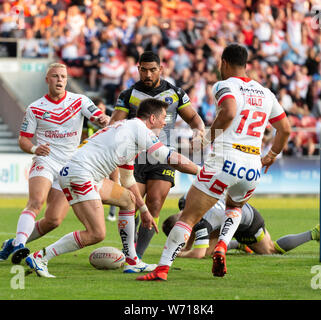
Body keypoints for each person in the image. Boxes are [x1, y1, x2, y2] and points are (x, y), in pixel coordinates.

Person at [137, 43, 291, 281]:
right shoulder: (266, 93)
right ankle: (222, 245)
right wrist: (271, 155)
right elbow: (285, 129)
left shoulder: (225, 85)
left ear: (224, 63)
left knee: (188, 217)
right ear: (246, 64)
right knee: (234, 207)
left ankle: (161, 270)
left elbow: (228, 112)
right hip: (252, 167)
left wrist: (207, 139)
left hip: (225, 159)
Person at [25, 98, 201, 277]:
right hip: (81, 174)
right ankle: (41, 257)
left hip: (85, 174)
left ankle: (132, 261)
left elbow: (128, 180)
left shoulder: (129, 131)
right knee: (96, 233)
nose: (165, 122)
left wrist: (144, 210)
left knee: (127, 199)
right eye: (164, 117)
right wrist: (201, 172)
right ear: (153, 119)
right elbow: (171, 159)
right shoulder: (140, 130)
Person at [0, 63, 109, 264]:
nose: (60, 80)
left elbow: (98, 116)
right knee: (36, 201)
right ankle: (20, 246)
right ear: (47, 80)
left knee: (54, 220)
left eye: (63, 76)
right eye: (55, 76)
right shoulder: (35, 108)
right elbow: (23, 139)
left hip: (70, 167)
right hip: (46, 160)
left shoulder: (79, 101)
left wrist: (104, 120)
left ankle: (12, 243)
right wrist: (33, 149)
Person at [109, 51, 205, 259]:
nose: (148, 74)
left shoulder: (175, 93)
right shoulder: (128, 95)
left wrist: (198, 133)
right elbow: (114, 125)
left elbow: (195, 119)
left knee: (153, 204)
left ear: (160, 69)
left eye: (153, 70)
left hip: (163, 156)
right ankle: (130, 246)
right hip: (135, 157)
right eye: (144, 70)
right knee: (131, 203)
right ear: (138, 69)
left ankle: (137, 257)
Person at [162, 194, 320, 258]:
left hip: (246, 222)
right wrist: (185, 247)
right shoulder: (184, 202)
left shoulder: (202, 224)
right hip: (225, 216)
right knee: (211, 252)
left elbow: (198, 254)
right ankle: (237, 244)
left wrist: (179, 254)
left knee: (271, 251)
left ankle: (314, 233)